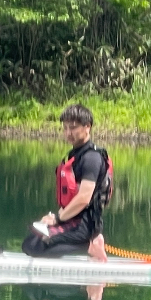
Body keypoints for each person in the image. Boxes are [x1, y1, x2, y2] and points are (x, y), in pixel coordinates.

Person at [23, 103, 112, 261]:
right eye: (65, 128)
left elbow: (84, 198)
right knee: (30, 242)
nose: (68, 132)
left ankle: (91, 246)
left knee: (35, 246)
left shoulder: (91, 158)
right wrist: (54, 218)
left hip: (85, 225)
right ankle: (88, 246)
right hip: (72, 220)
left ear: (87, 127)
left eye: (73, 128)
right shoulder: (75, 155)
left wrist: (57, 219)